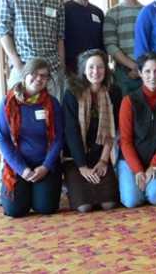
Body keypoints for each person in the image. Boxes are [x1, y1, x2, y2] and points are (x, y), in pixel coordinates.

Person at [0, 58, 64, 217]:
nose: (39, 78)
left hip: (45, 165)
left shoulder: (52, 104)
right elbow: (2, 138)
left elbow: (58, 138)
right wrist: (22, 169)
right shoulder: (8, 102)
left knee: (45, 208)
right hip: (18, 165)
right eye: (34, 73)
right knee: (15, 211)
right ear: (25, 74)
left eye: (44, 76)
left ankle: (37, 192)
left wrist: (46, 166)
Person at [0, 0, 65, 100]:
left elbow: (60, 36)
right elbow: (3, 32)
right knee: (19, 117)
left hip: (51, 71)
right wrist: (19, 66)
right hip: (24, 68)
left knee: (51, 117)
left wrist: (61, 67)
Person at [62, 49, 121, 213]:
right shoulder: (72, 93)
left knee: (109, 204)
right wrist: (82, 166)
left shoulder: (114, 92)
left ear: (106, 69)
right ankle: (72, 185)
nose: (96, 72)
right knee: (84, 207)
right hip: (75, 158)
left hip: (100, 155)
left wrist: (103, 160)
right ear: (83, 69)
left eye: (100, 67)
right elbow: (71, 133)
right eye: (91, 67)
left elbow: (113, 130)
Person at [117, 52, 156, 208]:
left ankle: (152, 186)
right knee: (131, 201)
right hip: (131, 161)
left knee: (155, 197)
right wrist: (138, 170)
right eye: (147, 71)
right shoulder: (129, 101)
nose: (152, 76)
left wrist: (154, 165)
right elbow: (125, 141)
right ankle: (129, 181)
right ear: (140, 73)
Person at [103, 0, 144, 95]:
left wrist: (142, 67)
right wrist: (133, 66)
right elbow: (110, 45)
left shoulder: (147, 11)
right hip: (123, 73)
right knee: (124, 111)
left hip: (146, 71)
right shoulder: (112, 13)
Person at [64, 0, 104, 74]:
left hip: (95, 73)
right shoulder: (63, 10)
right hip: (71, 73)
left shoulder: (98, 12)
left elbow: (102, 44)